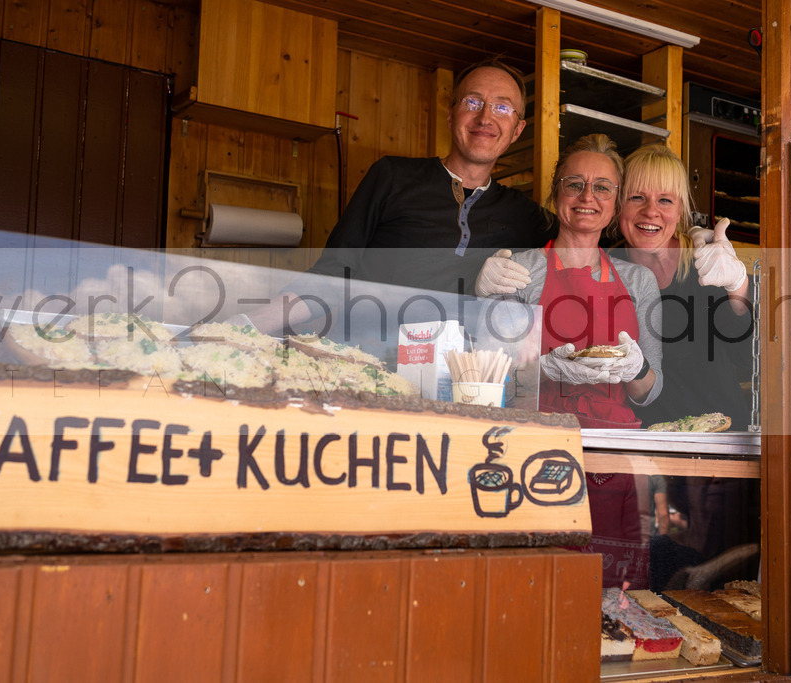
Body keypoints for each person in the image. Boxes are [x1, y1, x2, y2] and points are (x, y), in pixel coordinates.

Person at [235, 57, 555, 336]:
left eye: (502, 107)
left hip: (453, 378)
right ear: (450, 114)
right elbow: (334, 274)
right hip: (364, 361)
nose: (485, 117)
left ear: (517, 130)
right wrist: (245, 325)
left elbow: (586, 248)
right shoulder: (392, 176)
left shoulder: (525, 217)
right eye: (472, 102)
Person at [480, 133, 664, 589]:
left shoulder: (639, 281)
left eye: (603, 187)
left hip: (614, 460)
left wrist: (635, 368)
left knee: (611, 597)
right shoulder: (519, 269)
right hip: (534, 452)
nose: (587, 197)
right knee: (533, 584)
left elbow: (650, 391)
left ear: (616, 201)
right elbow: (484, 376)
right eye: (574, 183)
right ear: (555, 193)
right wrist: (539, 366)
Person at [609, 143, 759, 591]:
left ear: (682, 210)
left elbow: (749, 353)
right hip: (641, 461)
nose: (649, 211)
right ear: (619, 206)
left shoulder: (708, 264)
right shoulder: (607, 269)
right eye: (636, 197)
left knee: (718, 588)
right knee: (644, 584)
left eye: (665, 200)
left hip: (716, 460)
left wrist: (738, 286)